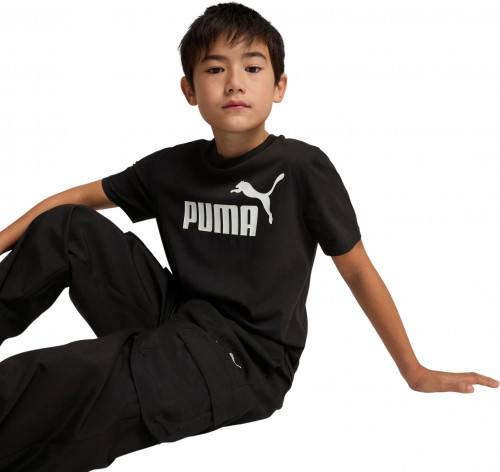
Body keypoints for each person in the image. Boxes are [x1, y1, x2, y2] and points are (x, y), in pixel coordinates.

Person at [0, 2, 497, 471]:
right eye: (215, 69)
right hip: (178, 317)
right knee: (67, 228)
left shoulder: (302, 168)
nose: (234, 82)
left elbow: (357, 270)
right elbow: (78, 199)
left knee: (56, 381)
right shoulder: (171, 168)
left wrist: (413, 369)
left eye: (253, 68)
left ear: (279, 86)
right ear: (189, 90)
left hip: (244, 359)